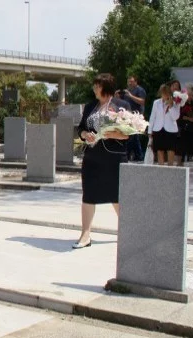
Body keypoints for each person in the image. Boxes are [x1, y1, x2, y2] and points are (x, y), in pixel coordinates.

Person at [75, 73, 130, 249]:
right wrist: (85, 135)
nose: (94, 88)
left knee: (117, 195)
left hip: (114, 157)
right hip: (92, 157)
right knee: (88, 193)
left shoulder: (121, 106)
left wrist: (111, 134)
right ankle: (85, 234)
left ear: (105, 87)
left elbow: (128, 133)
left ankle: (128, 231)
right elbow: (81, 129)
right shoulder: (91, 106)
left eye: (97, 85)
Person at [148, 84, 181, 166]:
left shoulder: (175, 103)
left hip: (170, 130)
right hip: (158, 129)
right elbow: (152, 117)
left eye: (166, 93)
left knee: (171, 151)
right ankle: (161, 171)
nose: (165, 95)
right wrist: (149, 131)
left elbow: (175, 117)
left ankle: (170, 169)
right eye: (163, 93)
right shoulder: (156, 103)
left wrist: (171, 106)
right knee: (159, 151)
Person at [117, 75, 146, 161]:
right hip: (127, 116)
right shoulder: (127, 91)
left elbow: (142, 101)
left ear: (136, 82)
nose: (130, 83)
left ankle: (138, 155)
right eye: (128, 81)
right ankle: (134, 155)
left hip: (136, 116)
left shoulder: (140, 90)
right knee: (131, 137)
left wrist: (131, 96)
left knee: (134, 136)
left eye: (132, 81)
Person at [176, 83, 193, 165]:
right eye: (189, 95)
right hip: (183, 130)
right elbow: (179, 116)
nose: (190, 97)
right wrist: (189, 118)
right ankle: (179, 164)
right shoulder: (181, 103)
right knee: (181, 149)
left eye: (192, 95)